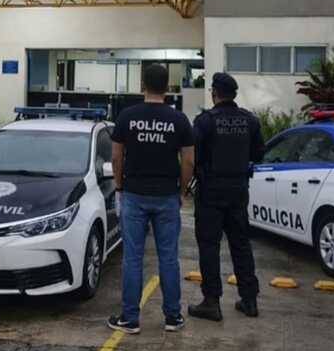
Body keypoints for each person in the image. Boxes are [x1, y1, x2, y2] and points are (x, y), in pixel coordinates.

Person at [107, 64, 195, 334]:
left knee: (132, 258)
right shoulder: (179, 120)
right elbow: (189, 160)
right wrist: (181, 190)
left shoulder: (127, 116)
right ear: (167, 87)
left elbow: (116, 157)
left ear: (142, 85)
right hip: (167, 195)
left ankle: (130, 319)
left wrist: (120, 186)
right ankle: (172, 317)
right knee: (168, 257)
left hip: (134, 194)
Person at [189, 72, 265, 321]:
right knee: (241, 244)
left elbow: (194, 156)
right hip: (238, 191)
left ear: (214, 93)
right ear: (233, 94)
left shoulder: (205, 121)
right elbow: (259, 154)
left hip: (210, 192)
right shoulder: (250, 121)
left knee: (209, 246)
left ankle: (212, 301)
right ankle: (249, 300)